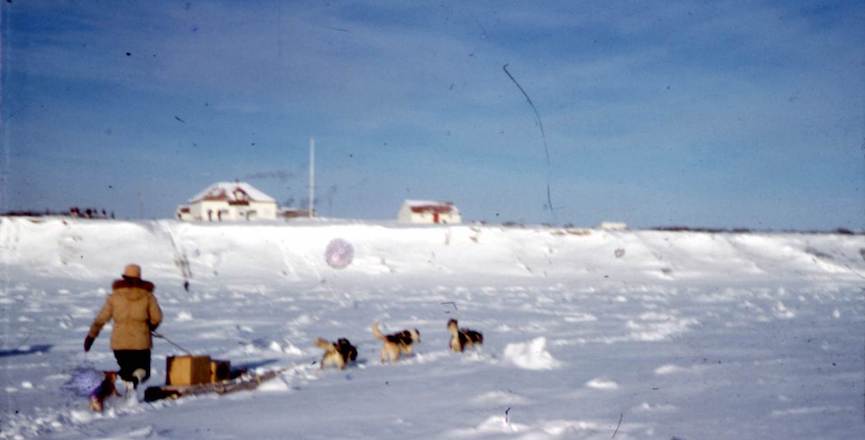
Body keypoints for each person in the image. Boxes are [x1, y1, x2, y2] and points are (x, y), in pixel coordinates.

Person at [84, 264, 163, 390]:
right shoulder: (148, 297)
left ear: (124, 277)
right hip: (141, 343)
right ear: (140, 278)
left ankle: (128, 394)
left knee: (128, 371)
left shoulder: (114, 297)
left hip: (120, 344)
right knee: (143, 372)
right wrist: (150, 327)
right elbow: (157, 317)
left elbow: (101, 319)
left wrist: (91, 336)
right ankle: (131, 388)